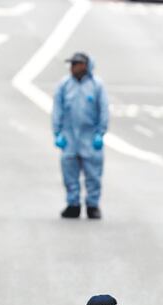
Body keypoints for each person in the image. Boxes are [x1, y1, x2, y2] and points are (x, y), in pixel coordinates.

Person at [53, 52, 109, 220]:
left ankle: (92, 204)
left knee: (93, 174)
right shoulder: (64, 85)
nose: (72, 68)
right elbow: (57, 110)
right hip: (70, 137)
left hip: (89, 137)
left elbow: (103, 111)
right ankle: (73, 204)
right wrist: (57, 133)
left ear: (84, 66)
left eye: (75, 64)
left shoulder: (96, 86)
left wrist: (100, 132)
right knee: (69, 173)